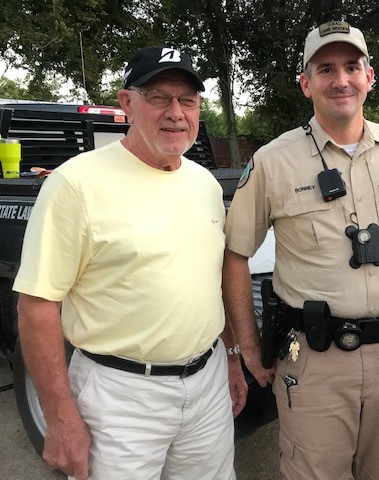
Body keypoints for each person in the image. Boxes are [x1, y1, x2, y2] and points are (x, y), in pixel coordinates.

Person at [222, 21, 379, 480]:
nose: (340, 79)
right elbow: (235, 255)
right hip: (314, 361)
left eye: (352, 66)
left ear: (370, 77)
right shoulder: (272, 161)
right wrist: (246, 349)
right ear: (306, 84)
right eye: (325, 69)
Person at [13, 46, 246, 480]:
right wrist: (61, 418)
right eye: (159, 96)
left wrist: (231, 357)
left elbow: (210, 282)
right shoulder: (76, 184)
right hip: (119, 396)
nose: (176, 112)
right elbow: (37, 306)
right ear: (127, 103)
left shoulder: (204, 185)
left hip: (207, 382)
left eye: (188, 100)